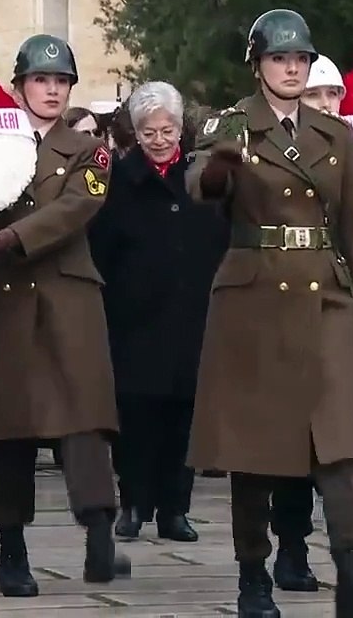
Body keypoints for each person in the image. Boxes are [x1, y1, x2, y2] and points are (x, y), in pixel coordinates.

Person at [186, 9, 353, 618]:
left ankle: (352, 566)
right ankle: (254, 575)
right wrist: (220, 169)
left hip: (326, 294)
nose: (292, 68)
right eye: (280, 59)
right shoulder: (230, 124)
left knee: (339, 440)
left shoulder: (336, 135)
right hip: (254, 296)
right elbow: (201, 185)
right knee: (257, 448)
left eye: (300, 59)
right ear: (258, 65)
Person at [0, 34, 129, 598]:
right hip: (6, 298)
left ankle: (99, 532)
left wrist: (3, 236)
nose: (52, 90)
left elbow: (77, 209)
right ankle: (12, 550)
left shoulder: (87, 151)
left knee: (83, 422)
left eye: (61, 82)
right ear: (20, 86)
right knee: (9, 431)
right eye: (41, 80)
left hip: (66, 295)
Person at [89, 80, 228, 544]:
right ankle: (132, 503)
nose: (160, 139)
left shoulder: (199, 176)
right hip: (135, 319)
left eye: (167, 130)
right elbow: (102, 249)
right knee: (135, 418)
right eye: (149, 132)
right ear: (136, 132)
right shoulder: (119, 182)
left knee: (183, 419)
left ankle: (175, 509)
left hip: (191, 315)